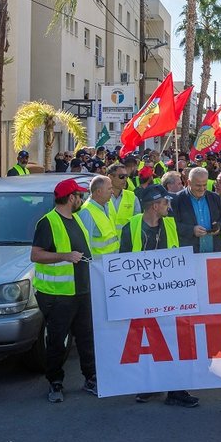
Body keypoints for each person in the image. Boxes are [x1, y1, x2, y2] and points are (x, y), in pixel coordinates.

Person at [120, 185, 200, 408]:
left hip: (170, 296)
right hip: (143, 298)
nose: (168, 206)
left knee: (175, 341)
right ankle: (149, 385)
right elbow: (122, 263)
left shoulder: (171, 224)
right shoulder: (131, 228)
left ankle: (176, 390)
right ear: (155, 206)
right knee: (150, 343)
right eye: (165, 202)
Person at [30, 179, 96, 403]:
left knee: (86, 338)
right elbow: (36, 255)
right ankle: (55, 382)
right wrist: (65, 256)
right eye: (79, 196)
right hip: (58, 295)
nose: (82, 199)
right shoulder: (48, 222)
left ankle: (90, 378)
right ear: (71, 198)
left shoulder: (76, 218)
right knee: (57, 340)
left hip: (81, 290)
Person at [172, 167, 221, 253]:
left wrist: (219, 227)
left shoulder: (214, 197)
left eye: (204, 185)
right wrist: (191, 230)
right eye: (198, 185)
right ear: (189, 183)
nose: (202, 188)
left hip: (213, 253)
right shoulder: (177, 199)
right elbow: (172, 225)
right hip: (190, 255)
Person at [77, 176, 119, 256]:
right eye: (109, 189)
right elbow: (84, 246)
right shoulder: (86, 212)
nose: (112, 191)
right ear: (99, 191)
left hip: (111, 264)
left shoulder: (106, 205)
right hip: (98, 266)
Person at [107, 163, 141, 236]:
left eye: (126, 176)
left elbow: (137, 223)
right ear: (110, 177)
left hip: (126, 244)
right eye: (121, 176)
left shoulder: (132, 197)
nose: (125, 179)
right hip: (107, 246)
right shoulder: (101, 196)